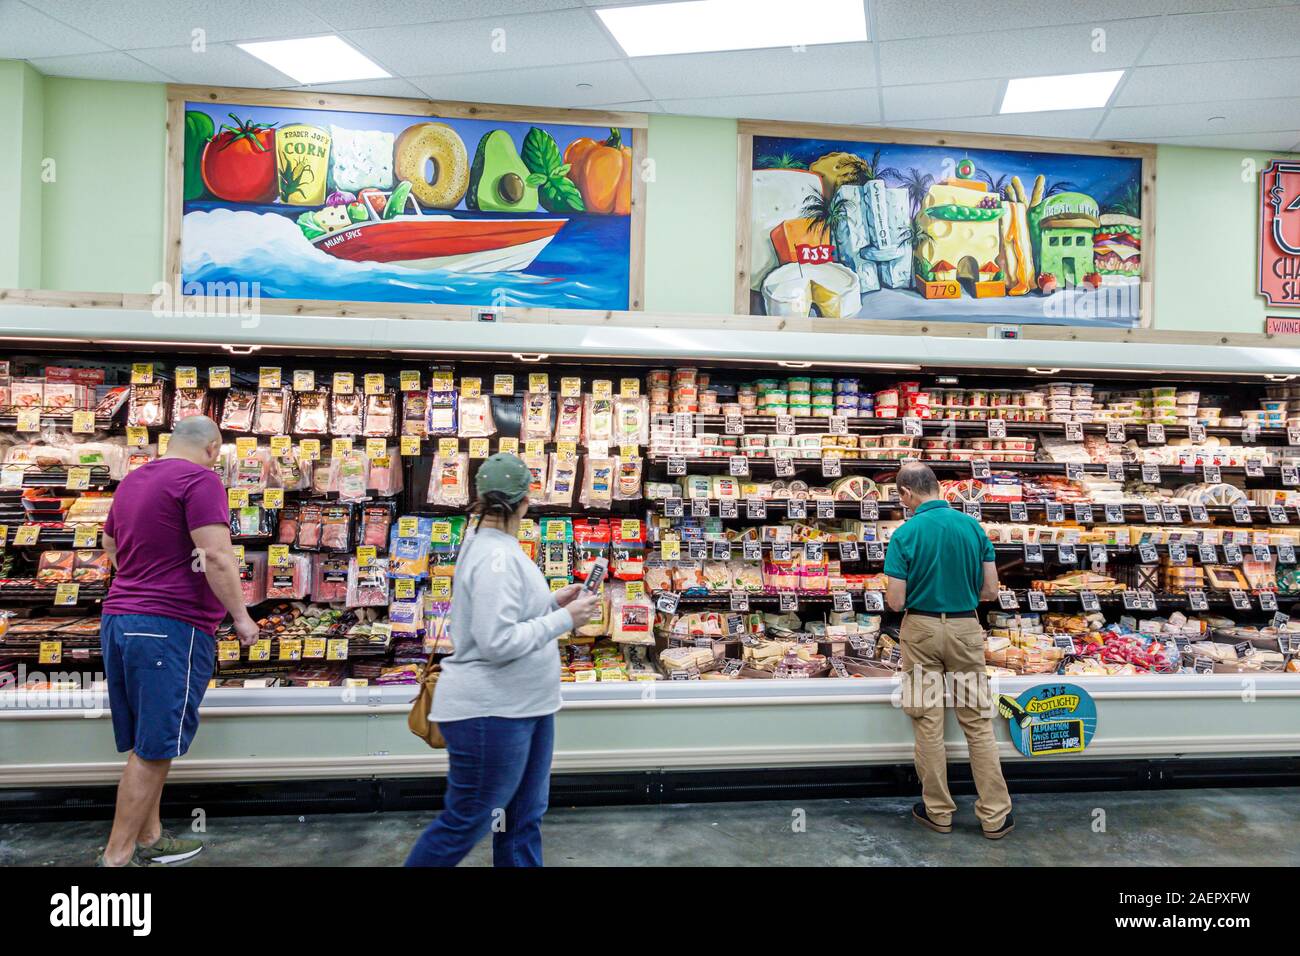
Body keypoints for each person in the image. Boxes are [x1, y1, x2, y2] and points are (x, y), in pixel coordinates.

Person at [406, 453, 600, 867]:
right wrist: (565, 619)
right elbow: (496, 641)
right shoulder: (496, 555)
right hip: (491, 712)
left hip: (523, 706)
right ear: (524, 503)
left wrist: (551, 601)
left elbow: (500, 615)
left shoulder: (492, 546)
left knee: (521, 819)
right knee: (466, 821)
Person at [97, 415, 261, 866]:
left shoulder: (133, 480)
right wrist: (242, 617)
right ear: (213, 448)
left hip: (119, 618)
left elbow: (109, 543)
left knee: (146, 740)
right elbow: (215, 555)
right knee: (156, 746)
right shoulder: (200, 480)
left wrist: (143, 575)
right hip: (169, 626)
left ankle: (149, 837)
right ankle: (116, 857)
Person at [883, 461, 1014, 840]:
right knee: (977, 722)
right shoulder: (973, 528)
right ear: (937, 487)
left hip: (921, 632)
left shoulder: (905, 534)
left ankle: (939, 812)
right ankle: (994, 815)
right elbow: (991, 592)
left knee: (928, 722)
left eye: (900, 497)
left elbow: (895, 601)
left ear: (907, 493)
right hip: (965, 629)